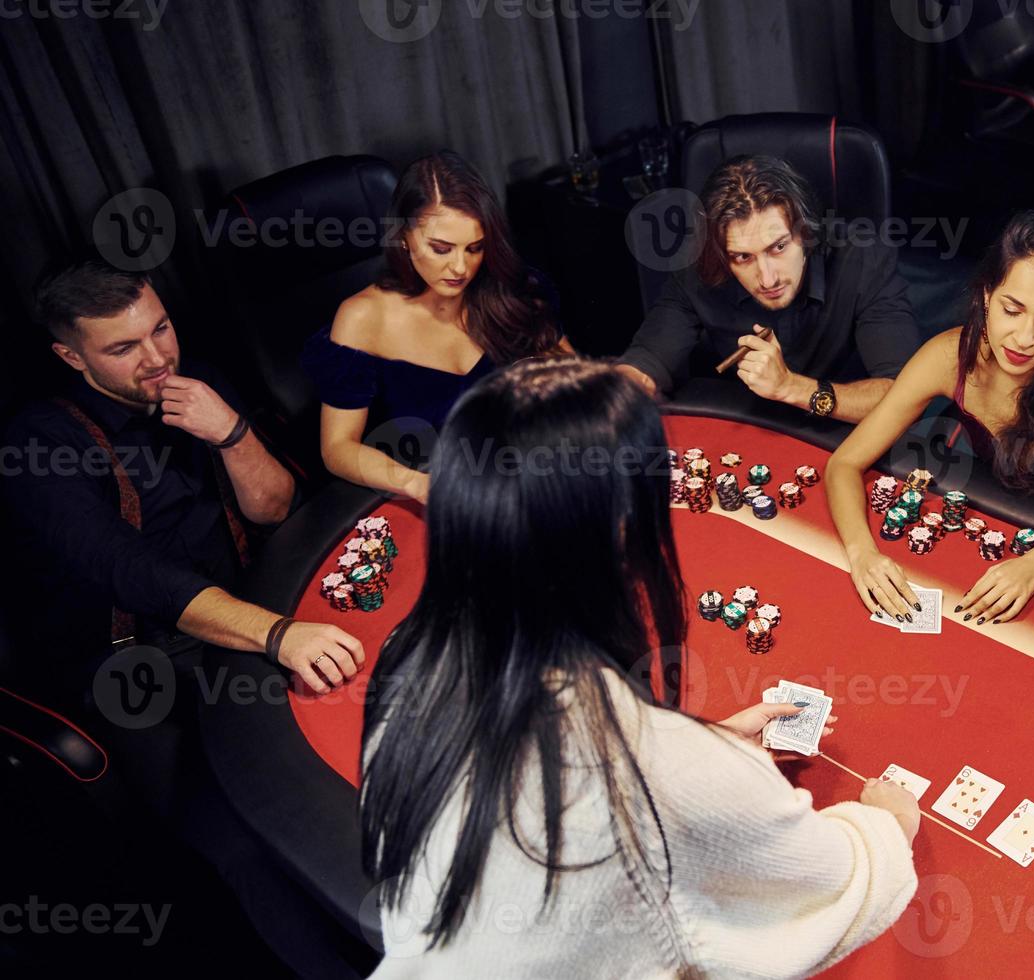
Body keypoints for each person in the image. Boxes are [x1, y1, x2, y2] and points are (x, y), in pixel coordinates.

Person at [360, 359, 919, 977]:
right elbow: (828, 891)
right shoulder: (659, 772)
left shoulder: (405, 663)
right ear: (623, 533)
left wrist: (703, 752)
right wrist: (888, 824)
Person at [3, 258, 362, 695]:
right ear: (71, 356)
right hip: (145, 657)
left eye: (161, 328)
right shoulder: (38, 443)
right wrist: (276, 633)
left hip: (255, 602)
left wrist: (233, 434)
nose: (158, 359)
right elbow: (128, 569)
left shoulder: (201, 378)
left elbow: (275, 510)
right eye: (123, 349)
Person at [825, 211, 1034, 624]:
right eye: (1012, 309)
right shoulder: (947, 358)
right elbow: (844, 462)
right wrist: (862, 554)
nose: (1024, 338)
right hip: (1004, 513)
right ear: (987, 295)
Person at [303, 150, 570, 503]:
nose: (460, 267)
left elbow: (573, 378)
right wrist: (414, 483)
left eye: (474, 248)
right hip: (431, 491)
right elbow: (337, 449)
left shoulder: (510, 288)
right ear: (404, 237)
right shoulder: (361, 318)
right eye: (441, 248)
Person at [616, 155, 920, 422]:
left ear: (806, 232)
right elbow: (647, 361)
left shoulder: (864, 258)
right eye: (743, 257)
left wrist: (790, 387)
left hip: (844, 431)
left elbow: (904, 396)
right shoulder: (700, 266)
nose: (767, 279)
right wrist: (623, 387)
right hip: (747, 424)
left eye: (779, 247)